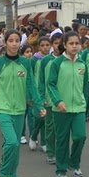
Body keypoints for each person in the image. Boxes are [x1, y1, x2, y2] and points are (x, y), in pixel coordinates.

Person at [0, 30, 45, 177]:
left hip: (20, 109)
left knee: (14, 146)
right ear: (6, 42)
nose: (14, 43)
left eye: (17, 40)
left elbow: (31, 86)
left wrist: (39, 105)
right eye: (11, 40)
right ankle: (3, 174)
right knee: (12, 142)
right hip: (3, 108)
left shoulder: (26, 63)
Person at [47, 32, 88, 177]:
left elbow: (85, 87)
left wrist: (85, 103)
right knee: (62, 140)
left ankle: (74, 162)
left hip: (79, 107)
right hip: (61, 109)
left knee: (80, 136)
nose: (75, 46)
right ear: (64, 45)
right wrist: (58, 101)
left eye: (77, 43)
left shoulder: (82, 64)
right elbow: (50, 84)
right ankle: (61, 169)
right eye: (71, 43)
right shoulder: (57, 63)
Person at [37, 34, 62, 165]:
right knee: (50, 127)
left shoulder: (68, 60)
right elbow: (41, 81)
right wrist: (42, 97)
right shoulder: (46, 60)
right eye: (56, 43)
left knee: (62, 129)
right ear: (52, 45)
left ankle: (61, 152)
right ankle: (51, 152)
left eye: (61, 43)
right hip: (49, 99)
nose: (59, 45)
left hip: (64, 100)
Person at [29, 37, 51, 151]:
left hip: (48, 91)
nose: (45, 47)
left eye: (47, 45)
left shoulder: (52, 59)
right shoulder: (34, 60)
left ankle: (44, 142)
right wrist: (29, 94)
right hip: (36, 92)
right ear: (38, 47)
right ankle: (33, 136)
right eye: (42, 45)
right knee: (38, 117)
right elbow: (30, 77)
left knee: (45, 118)